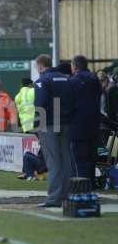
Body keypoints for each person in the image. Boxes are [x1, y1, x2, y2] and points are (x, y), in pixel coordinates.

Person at [34, 54, 74, 208]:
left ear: (40, 66)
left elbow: (41, 104)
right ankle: (67, 195)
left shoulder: (42, 81)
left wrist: (38, 124)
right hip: (65, 123)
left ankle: (54, 198)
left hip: (49, 124)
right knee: (66, 160)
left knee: (53, 160)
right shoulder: (65, 79)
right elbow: (72, 100)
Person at [69, 55, 102, 188]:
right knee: (91, 158)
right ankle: (92, 183)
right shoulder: (95, 80)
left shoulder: (73, 81)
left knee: (80, 159)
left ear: (75, 66)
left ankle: (82, 186)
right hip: (94, 125)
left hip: (77, 126)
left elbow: (68, 102)